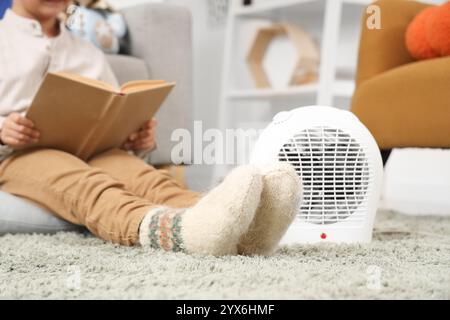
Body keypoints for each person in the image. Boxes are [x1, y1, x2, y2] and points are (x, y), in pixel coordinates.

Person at [0, 0, 301, 256]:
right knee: (85, 184)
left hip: (96, 150)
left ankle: (242, 230)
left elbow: (110, 109)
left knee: (149, 180)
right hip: (21, 154)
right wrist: (3, 130)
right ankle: (176, 232)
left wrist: (135, 136)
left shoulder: (87, 53)